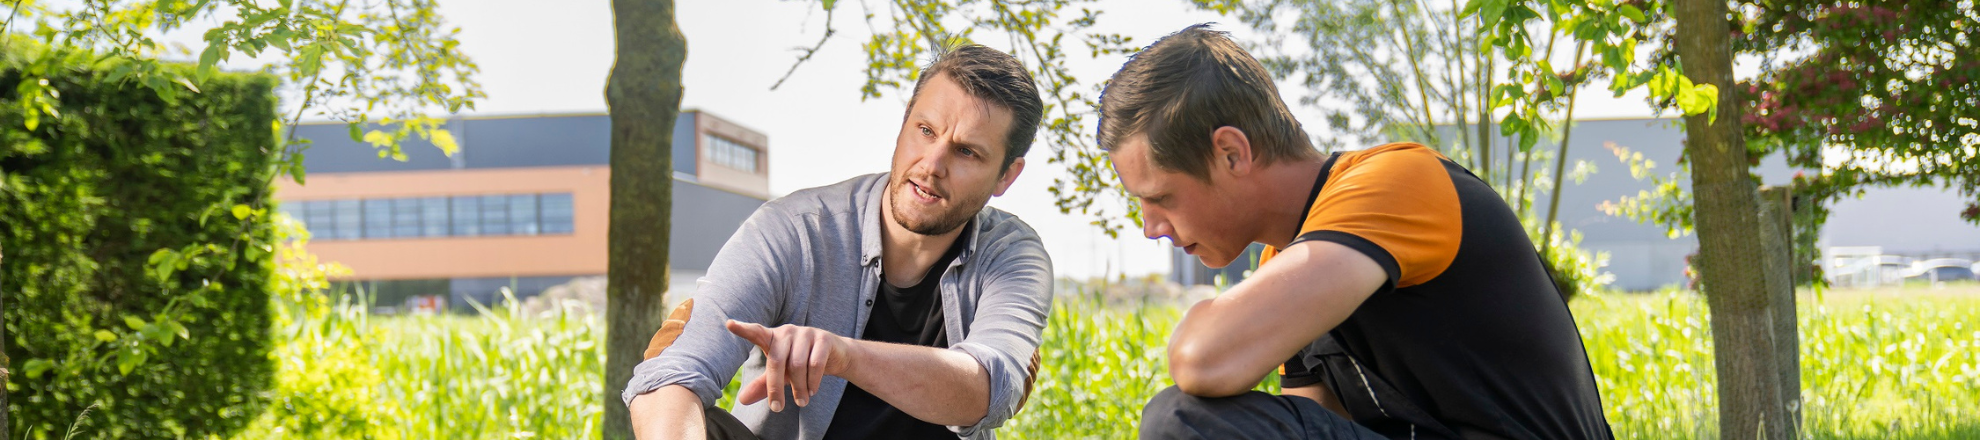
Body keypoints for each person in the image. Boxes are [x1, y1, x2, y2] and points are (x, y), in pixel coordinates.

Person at [1099, 25, 1614, 440]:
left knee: (1182, 420)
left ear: (1231, 153)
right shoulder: (1287, 263)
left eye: (1160, 197)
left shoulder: (1396, 183)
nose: (1150, 228)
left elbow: (1201, 360)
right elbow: (1307, 422)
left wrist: (1204, 324)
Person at [623, 44, 1053, 440]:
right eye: (925, 130)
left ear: (1006, 176)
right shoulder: (792, 230)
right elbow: (670, 373)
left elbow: (988, 387)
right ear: (904, 123)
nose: (933, 164)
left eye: (966, 152)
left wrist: (842, 356)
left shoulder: (1013, 256)